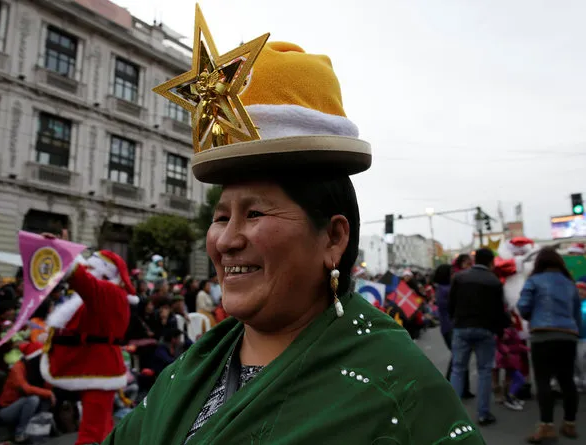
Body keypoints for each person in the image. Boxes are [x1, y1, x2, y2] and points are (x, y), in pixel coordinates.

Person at [102, 12, 483, 444]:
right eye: (222, 217)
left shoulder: (397, 389)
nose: (226, 241)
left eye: (256, 214)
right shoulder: (194, 363)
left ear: (334, 238)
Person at [39, 248, 139, 445]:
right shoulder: (110, 294)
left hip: (98, 367)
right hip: (95, 365)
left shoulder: (109, 292)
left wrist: (58, 249)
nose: (86, 269)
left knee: (94, 430)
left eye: (90, 267)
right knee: (101, 426)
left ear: (104, 272)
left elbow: (80, 279)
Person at [517, 247, 582, 442]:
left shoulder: (534, 280)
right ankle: (569, 424)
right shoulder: (570, 284)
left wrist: (531, 316)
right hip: (568, 336)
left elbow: (523, 306)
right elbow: (577, 313)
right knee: (567, 381)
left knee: (543, 381)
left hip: (543, 336)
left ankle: (547, 427)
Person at [449, 248, 509, 426]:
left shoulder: (460, 278)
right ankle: (483, 413)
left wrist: (456, 320)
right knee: (484, 371)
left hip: (461, 327)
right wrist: (501, 331)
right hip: (485, 329)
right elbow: (499, 311)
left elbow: (451, 304)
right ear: (491, 262)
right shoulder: (494, 281)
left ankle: (452, 415)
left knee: (458, 369)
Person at [0, 342, 54, 443]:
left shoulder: (37, 368)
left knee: (45, 399)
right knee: (34, 399)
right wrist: (48, 393)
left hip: (25, 407)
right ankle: (20, 433)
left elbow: (48, 387)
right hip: (7, 410)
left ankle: (38, 431)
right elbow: (25, 389)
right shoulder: (17, 367)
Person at [433, 264, 472, 398]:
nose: (453, 275)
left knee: (460, 356)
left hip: (448, 327)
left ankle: (463, 388)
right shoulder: (446, 289)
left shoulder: (442, 289)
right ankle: (449, 386)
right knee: (458, 357)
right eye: (450, 273)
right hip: (451, 327)